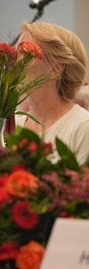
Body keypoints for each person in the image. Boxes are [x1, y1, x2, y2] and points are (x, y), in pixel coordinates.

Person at [16, 22, 89, 164]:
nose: (15, 62)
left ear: (55, 68)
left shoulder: (82, 128)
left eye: (26, 54)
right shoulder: (13, 124)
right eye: (16, 53)